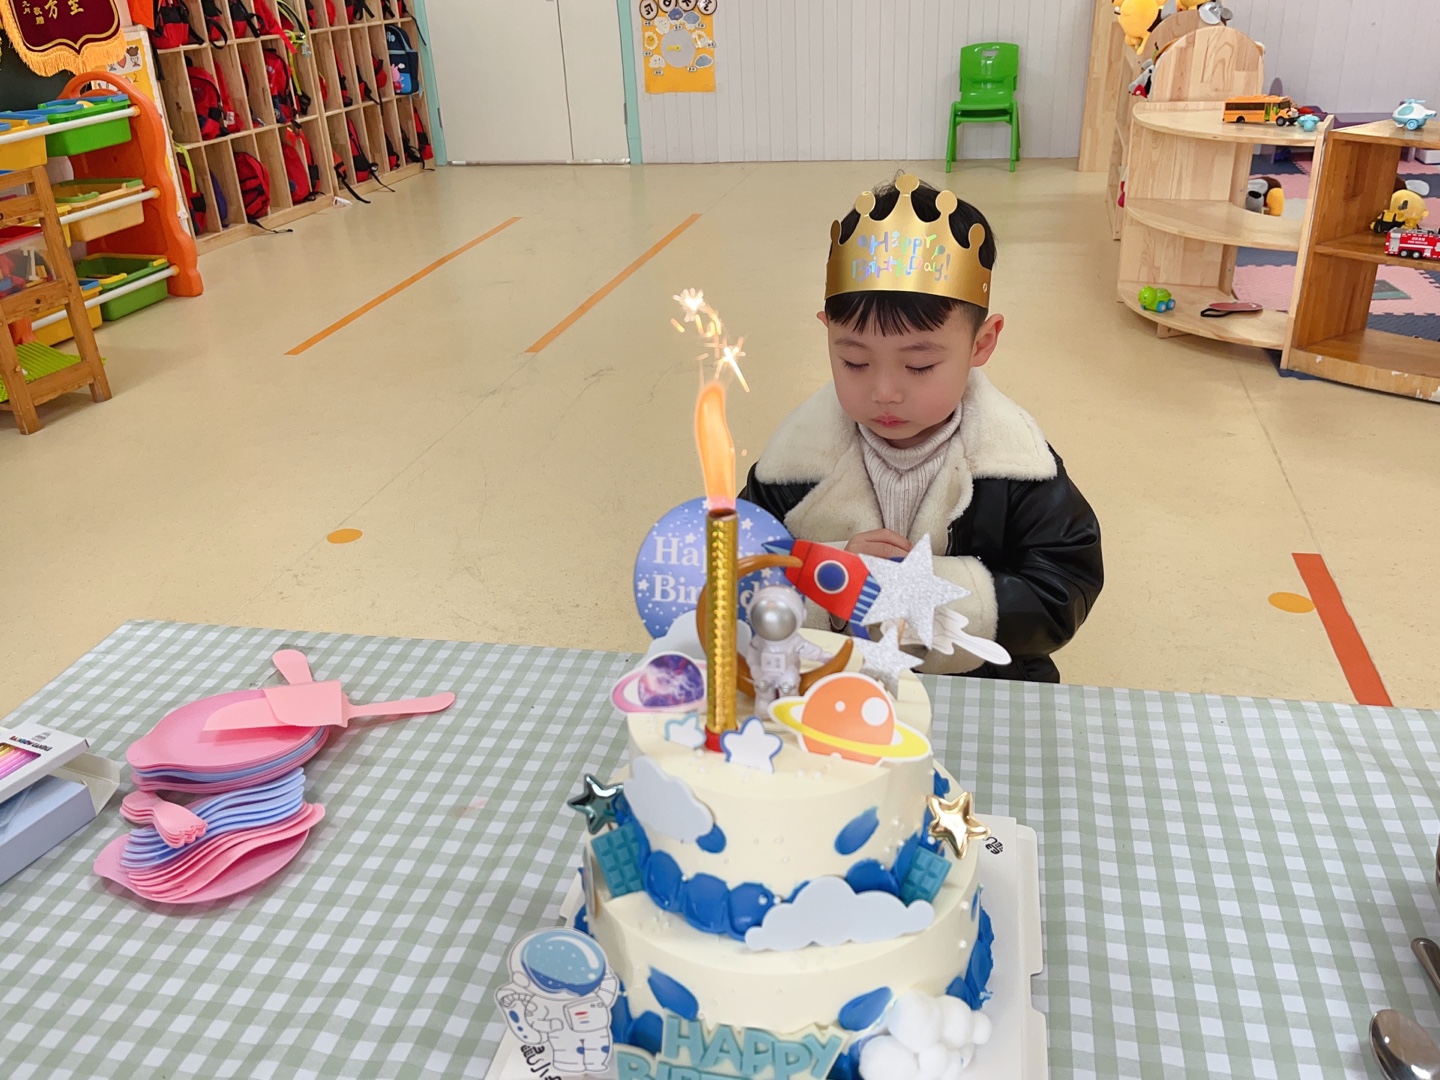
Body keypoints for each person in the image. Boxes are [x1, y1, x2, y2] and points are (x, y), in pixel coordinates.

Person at [740, 174, 1102, 683]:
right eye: (854, 361)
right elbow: (740, 573)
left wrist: (927, 593)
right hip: (834, 692)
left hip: (980, 688)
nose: (884, 391)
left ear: (982, 343)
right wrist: (835, 578)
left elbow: (1063, 586)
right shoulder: (790, 466)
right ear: (828, 333)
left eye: (919, 366)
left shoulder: (1017, 465)